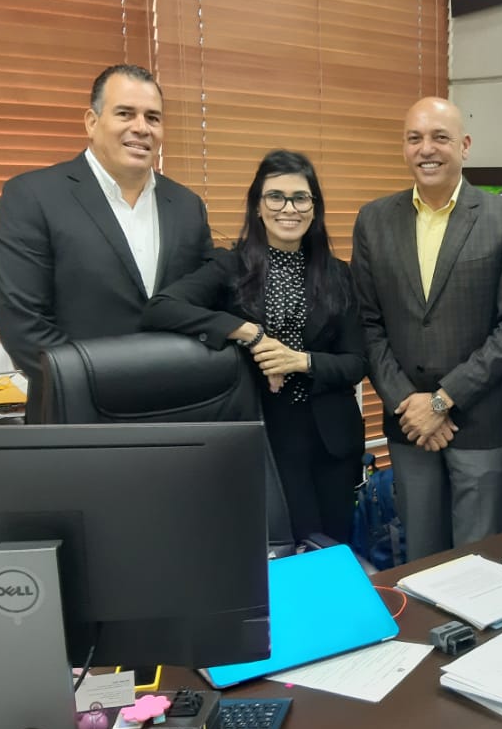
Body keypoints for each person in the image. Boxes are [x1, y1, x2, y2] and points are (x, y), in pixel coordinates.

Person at [142, 150, 365, 545]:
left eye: (301, 198)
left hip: (333, 441)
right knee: (286, 552)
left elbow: (355, 362)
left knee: (336, 549)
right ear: (258, 207)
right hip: (268, 438)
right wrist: (249, 333)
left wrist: (301, 361)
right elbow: (161, 308)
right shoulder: (231, 267)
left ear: (314, 208)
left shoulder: (337, 273)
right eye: (275, 197)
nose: (288, 208)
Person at [350, 97, 502, 560]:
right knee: (421, 561)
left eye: (440, 137)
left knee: (479, 564)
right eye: (415, 138)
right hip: (410, 426)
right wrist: (408, 405)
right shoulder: (374, 220)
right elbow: (366, 323)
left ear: (465, 146)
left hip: (480, 424)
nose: (426, 149)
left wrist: (443, 399)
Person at [0, 64, 213, 388]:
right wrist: (108, 386)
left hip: (177, 404)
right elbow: (26, 327)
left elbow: (206, 302)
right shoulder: (32, 196)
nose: (141, 128)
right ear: (92, 123)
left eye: (153, 118)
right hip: (80, 415)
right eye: (125, 114)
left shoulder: (187, 205)